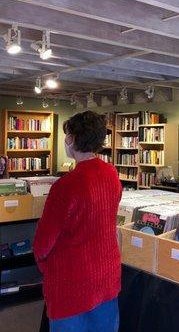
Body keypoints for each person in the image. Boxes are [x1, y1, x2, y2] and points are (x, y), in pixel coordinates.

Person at [33, 111, 122, 332]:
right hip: (107, 279)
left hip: (71, 285)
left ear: (72, 139)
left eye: (67, 135)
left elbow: (42, 245)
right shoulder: (111, 174)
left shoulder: (66, 186)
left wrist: (47, 267)